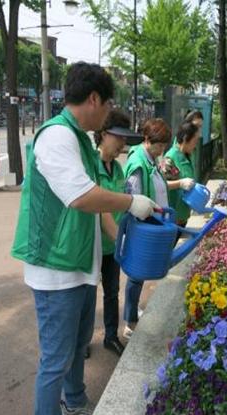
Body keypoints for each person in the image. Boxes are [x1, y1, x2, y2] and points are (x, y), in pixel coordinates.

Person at [11, 62, 158, 415]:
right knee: (55, 360)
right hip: (55, 268)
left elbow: (97, 208)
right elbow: (82, 197)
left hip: (77, 264)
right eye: (108, 104)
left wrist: (123, 247)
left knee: (77, 346)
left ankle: (75, 401)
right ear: (94, 98)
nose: (108, 113)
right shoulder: (57, 136)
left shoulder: (78, 140)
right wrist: (131, 202)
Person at [122, 118, 194, 339]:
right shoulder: (138, 164)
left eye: (164, 145)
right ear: (147, 139)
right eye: (159, 145)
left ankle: (133, 312)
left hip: (155, 223)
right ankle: (129, 323)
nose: (162, 150)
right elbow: (133, 199)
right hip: (144, 228)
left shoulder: (151, 160)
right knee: (136, 274)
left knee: (140, 274)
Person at [91, 109, 143, 357]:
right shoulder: (90, 164)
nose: (123, 143)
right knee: (86, 294)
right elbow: (101, 210)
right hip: (93, 244)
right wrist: (122, 243)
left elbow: (123, 205)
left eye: (125, 138)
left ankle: (110, 336)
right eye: (119, 137)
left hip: (113, 245)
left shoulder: (118, 169)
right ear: (103, 134)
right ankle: (82, 341)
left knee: (112, 292)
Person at [161, 122, 199, 227]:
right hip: (172, 217)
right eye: (194, 141)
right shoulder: (170, 158)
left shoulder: (187, 156)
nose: (195, 145)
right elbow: (161, 185)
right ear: (186, 139)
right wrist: (180, 183)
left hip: (183, 215)